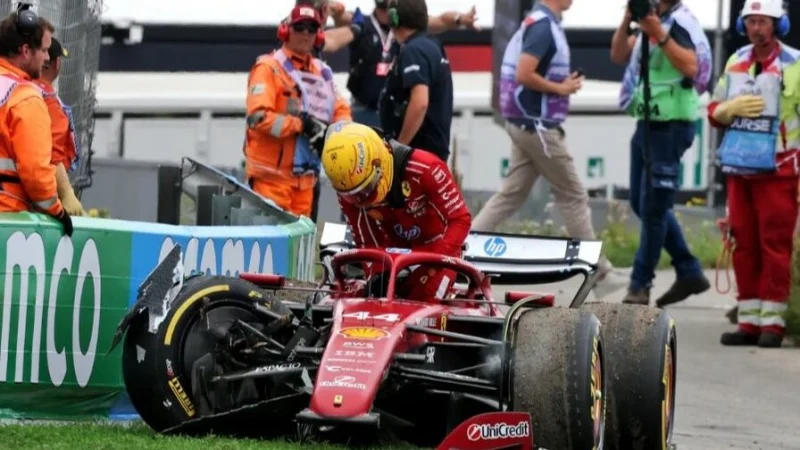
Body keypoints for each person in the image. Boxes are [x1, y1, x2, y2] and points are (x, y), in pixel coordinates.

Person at [471, 0, 626, 298]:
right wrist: (561, 89)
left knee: (512, 193)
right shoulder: (543, 27)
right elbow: (524, 74)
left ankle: (463, 247)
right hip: (537, 127)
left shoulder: (538, 22)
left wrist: (561, 84)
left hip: (525, 123)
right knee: (572, 193)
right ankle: (600, 272)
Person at [707, 0, 800, 348]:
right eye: (750, 22)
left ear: (777, 25)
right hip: (739, 168)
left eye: (762, 22)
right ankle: (748, 320)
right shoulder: (735, 61)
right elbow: (714, 110)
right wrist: (727, 109)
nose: (756, 29)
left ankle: (772, 324)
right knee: (742, 242)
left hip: (780, 170)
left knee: (774, 245)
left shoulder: (795, 64)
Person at [610, 0, 713, 306]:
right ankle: (689, 269)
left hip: (670, 125)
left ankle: (640, 285)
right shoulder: (654, 18)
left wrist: (660, 34)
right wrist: (629, 19)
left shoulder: (679, 23)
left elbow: (692, 67)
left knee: (654, 209)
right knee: (641, 204)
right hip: (647, 123)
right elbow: (618, 55)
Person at [320, 121, 471, 301]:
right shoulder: (349, 190)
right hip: (392, 253)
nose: (360, 200)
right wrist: (377, 275)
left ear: (378, 164)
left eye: (365, 188)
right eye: (352, 195)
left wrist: (433, 261)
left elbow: (461, 219)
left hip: (439, 251)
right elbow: (366, 241)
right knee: (371, 299)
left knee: (424, 299)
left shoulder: (427, 168)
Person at [243, 4, 351, 218]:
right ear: (286, 30)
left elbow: (341, 111)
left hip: (306, 183)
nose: (305, 34)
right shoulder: (269, 68)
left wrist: (333, 133)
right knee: (271, 247)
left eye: (311, 28)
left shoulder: (323, 73)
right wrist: (302, 125)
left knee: (301, 249)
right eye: (300, 27)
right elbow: (257, 117)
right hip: (271, 180)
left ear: (318, 34)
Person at [325, 1, 479, 127]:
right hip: (363, 107)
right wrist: (337, 11)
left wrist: (461, 19)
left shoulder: (406, 24)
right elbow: (341, 20)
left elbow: (442, 20)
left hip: (394, 109)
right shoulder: (362, 23)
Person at [0, 5, 71, 236]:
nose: (48, 58)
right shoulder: (25, 98)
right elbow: (36, 173)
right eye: (44, 50)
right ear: (26, 51)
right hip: (9, 221)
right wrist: (58, 210)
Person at [377, 0, 455, 162]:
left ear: (394, 19)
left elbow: (420, 102)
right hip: (430, 153)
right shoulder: (431, 45)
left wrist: (399, 147)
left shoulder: (414, 51)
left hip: (418, 155)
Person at [34, 36, 86, 217]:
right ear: (56, 63)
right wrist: (67, 194)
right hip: (46, 193)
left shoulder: (21, 88)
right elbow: (52, 153)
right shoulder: (46, 98)